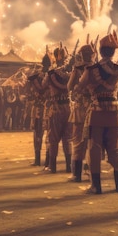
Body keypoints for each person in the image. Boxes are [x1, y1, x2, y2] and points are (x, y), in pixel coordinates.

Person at [78, 31, 118, 194]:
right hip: (115, 111)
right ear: (113, 52)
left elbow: (80, 86)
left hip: (97, 111)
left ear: (100, 51)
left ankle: (96, 186)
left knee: (95, 148)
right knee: (115, 149)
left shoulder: (92, 69)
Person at [67, 43, 96, 183]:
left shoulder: (78, 69)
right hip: (95, 109)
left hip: (80, 109)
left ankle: (76, 174)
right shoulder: (98, 68)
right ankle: (91, 173)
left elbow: (69, 86)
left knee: (78, 141)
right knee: (93, 141)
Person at [43, 45, 72, 174]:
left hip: (56, 108)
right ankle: (68, 167)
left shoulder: (51, 73)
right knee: (67, 138)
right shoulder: (70, 73)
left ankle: (53, 166)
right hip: (69, 108)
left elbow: (43, 85)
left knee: (53, 138)